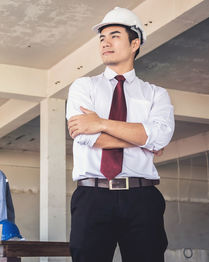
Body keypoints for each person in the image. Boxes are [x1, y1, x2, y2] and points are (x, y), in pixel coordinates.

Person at [66, 7, 175, 262]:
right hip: (92, 196)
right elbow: (86, 136)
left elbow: (160, 136)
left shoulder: (155, 94)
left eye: (114, 36)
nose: (105, 42)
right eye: (102, 38)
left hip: (142, 198)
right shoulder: (84, 86)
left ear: (134, 43)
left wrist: (101, 122)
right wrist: (143, 141)